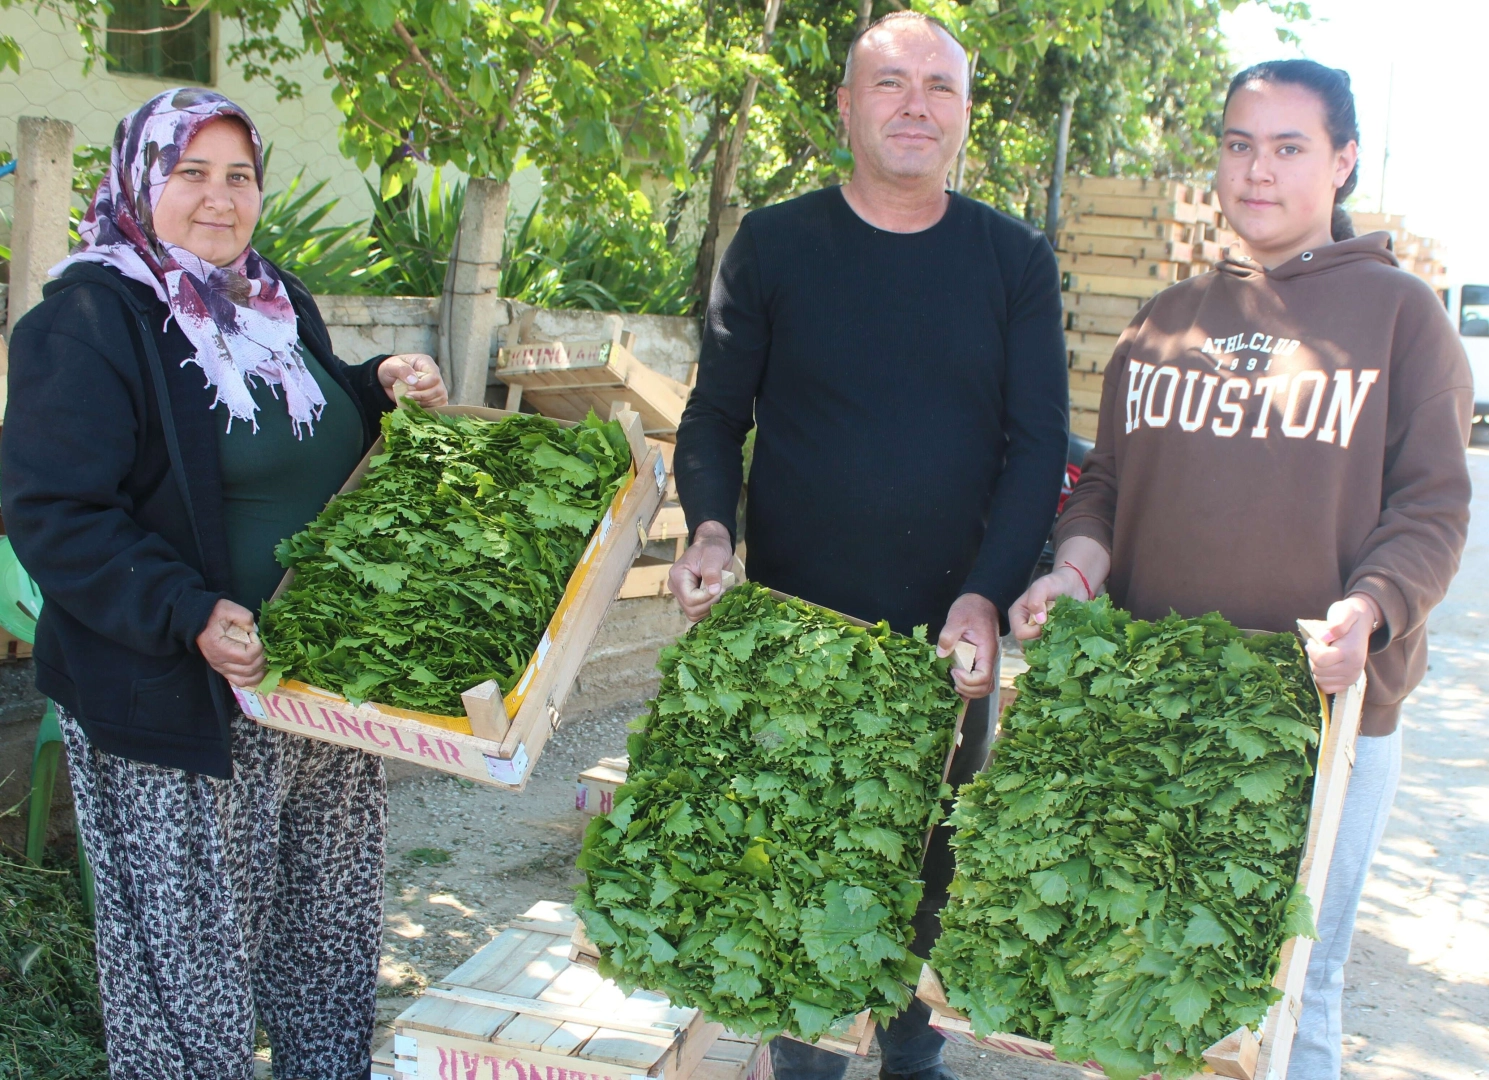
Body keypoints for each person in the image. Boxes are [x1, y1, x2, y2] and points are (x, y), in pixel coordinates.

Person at [1009, 61, 1471, 1080]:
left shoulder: (1401, 319)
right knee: (1133, 980)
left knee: (1288, 995)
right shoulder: (1161, 323)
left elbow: (1433, 507)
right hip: (1151, 709)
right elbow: (1105, 492)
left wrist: (1369, 607)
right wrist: (1074, 574)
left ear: (1343, 162)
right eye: (1236, 143)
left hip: (1317, 720)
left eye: (1288, 147)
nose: (1256, 170)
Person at [1, 87, 447, 1080]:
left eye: (238, 175)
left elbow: (303, 440)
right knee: (192, 989)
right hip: (178, 702)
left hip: (314, 693)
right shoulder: (88, 322)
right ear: (137, 182)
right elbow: (55, 514)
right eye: (189, 173)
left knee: (325, 949)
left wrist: (376, 390)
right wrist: (188, 610)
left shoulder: (272, 300)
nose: (219, 198)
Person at [671, 12, 1069, 1080]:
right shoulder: (775, 243)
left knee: (929, 869)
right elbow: (714, 417)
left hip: (951, 634)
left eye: (938, 88)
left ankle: (912, 1059)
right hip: (801, 634)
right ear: (844, 105)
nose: (914, 105)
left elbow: (1037, 451)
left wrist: (987, 592)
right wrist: (712, 525)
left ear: (966, 117)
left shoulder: (1012, 260)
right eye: (889, 83)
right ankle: (804, 1062)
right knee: (806, 873)